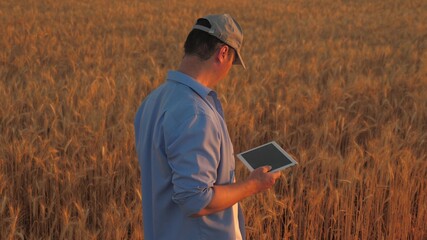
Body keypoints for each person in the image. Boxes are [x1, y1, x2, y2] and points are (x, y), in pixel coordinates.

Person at [134, 14, 281, 240]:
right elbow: (195, 200)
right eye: (233, 60)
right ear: (222, 53)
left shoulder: (153, 101)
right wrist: (253, 184)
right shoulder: (195, 113)